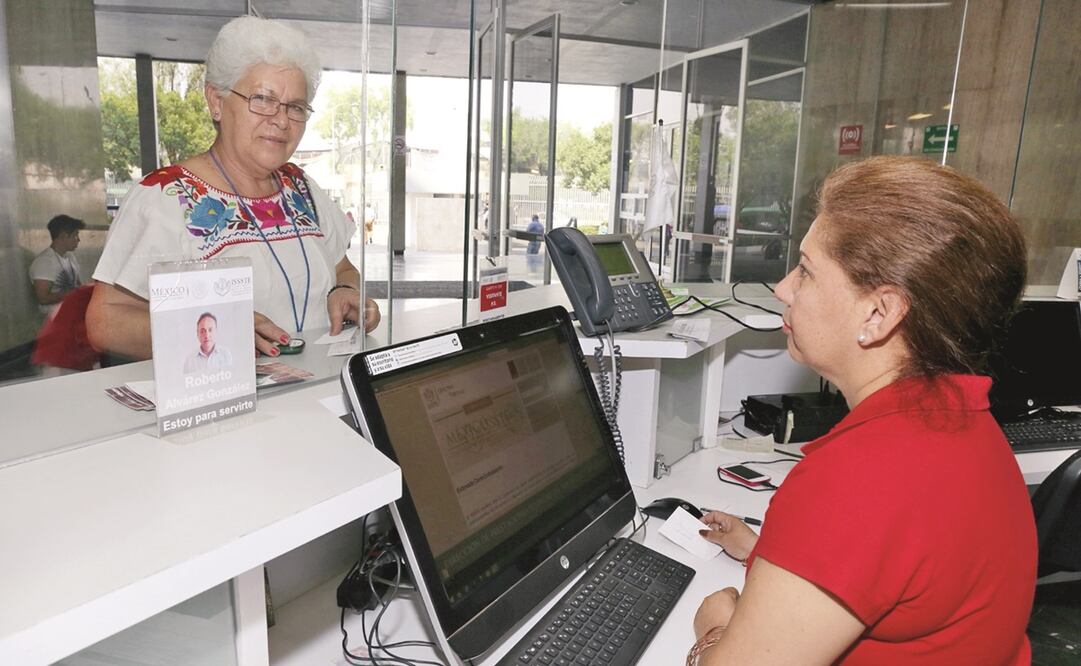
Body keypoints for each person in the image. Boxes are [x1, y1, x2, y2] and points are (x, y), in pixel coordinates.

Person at [688, 156, 1036, 665]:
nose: (784, 288)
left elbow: (867, 518)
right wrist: (760, 550)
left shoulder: (860, 477)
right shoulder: (966, 422)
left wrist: (714, 631)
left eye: (806, 270)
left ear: (879, 314)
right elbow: (893, 563)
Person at [87, 15, 380, 361]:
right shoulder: (165, 196)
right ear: (216, 101)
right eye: (263, 100)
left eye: (296, 107)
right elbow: (106, 322)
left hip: (318, 392)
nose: (282, 120)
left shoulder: (302, 189)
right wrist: (222, 327)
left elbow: (343, 268)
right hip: (223, 401)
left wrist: (346, 291)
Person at [29, 214, 85, 314]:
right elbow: (43, 298)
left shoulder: (70, 257)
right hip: (53, 318)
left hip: (71, 312)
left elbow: (78, 285)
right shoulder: (45, 262)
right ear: (63, 236)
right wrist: (74, 294)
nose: (78, 239)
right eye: (75, 235)